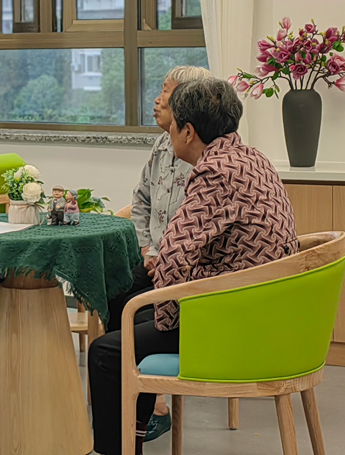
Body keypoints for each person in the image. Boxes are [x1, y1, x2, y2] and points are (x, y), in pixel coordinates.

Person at [88, 78, 298, 455]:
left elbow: (173, 256)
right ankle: (132, 439)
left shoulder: (213, 172)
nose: (168, 133)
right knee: (134, 319)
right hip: (268, 315)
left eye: (172, 125)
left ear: (188, 131)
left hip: (231, 325)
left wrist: (166, 317)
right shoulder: (252, 158)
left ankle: (116, 449)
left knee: (106, 352)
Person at [106, 65, 212, 441]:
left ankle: (151, 406)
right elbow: (140, 201)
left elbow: (196, 232)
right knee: (114, 290)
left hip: (184, 270)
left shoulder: (208, 157)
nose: (157, 99)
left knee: (140, 309)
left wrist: (163, 257)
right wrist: (147, 249)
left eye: (166, 93)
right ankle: (129, 395)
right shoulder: (163, 143)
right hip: (154, 256)